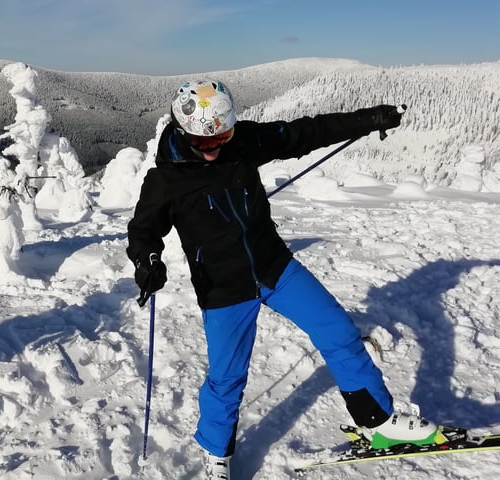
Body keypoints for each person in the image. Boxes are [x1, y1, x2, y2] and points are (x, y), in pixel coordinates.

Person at [126, 80, 442, 479]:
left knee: (340, 333)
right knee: (226, 379)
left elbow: (302, 132)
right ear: (184, 132)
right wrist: (147, 260)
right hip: (224, 290)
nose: (215, 148)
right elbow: (143, 231)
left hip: (276, 267)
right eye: (205, 141)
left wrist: (366, 120)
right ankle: (216, 455)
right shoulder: (166, 180)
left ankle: (376, 421)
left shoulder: (243, 142)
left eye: (223, 136)